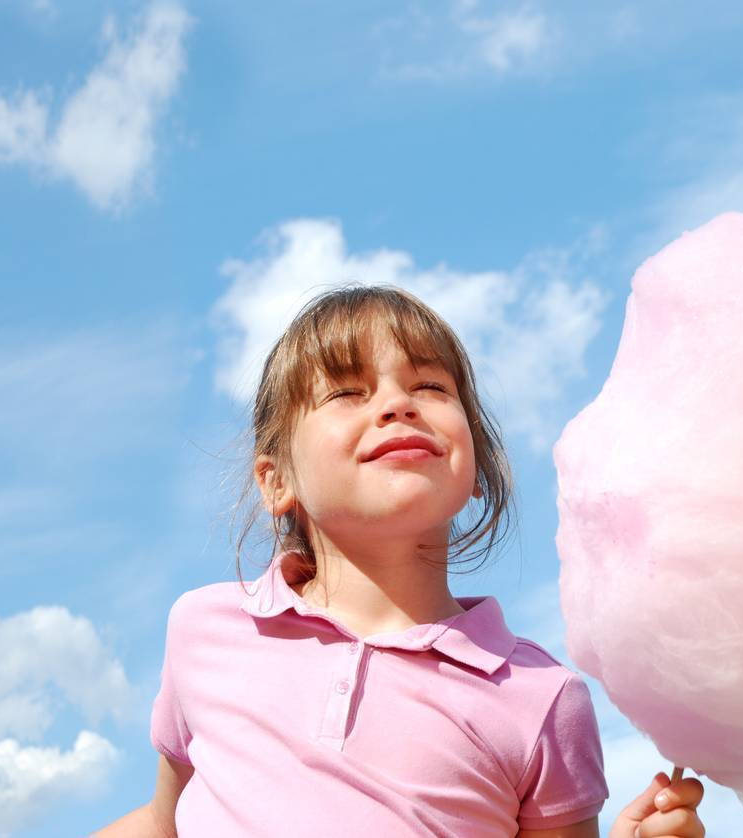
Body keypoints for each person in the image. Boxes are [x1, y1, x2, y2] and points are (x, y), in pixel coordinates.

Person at [96, 285, 706, 837]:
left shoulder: (541, 698)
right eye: (346, 392)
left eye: (431, 388)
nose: (396, 403)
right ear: (277, 479)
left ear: (477, 469)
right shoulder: (207, 629)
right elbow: (163, 822)